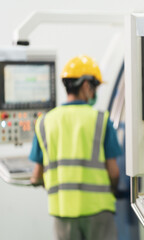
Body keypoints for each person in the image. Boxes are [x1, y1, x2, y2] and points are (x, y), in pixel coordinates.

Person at [29, 55, 121, 240]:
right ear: (87, 86)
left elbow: (36, 175)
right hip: (98, 211)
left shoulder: (45, 122)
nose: (94, 93)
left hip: (63, 212)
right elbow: (114, 173)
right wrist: (113, 190)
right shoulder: (101, 120)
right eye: (95, 88)